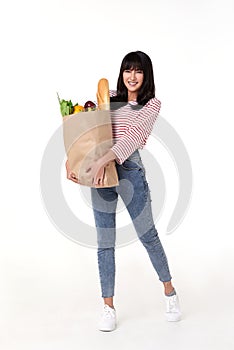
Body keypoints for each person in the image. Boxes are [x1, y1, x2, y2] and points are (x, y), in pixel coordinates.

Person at [66, 51, 181, 331]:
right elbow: (88, 132)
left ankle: (170, 292)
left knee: (148, 236)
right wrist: (74, 161)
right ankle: (108, 307)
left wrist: (99, 162)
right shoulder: (110, 98)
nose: (132, 76)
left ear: (146, 75)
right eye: (128, 70)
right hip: (101, 172)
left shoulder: (151, 105)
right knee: (105, 241)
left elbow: (131, 139)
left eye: (138, 71)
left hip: (128, 171)